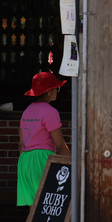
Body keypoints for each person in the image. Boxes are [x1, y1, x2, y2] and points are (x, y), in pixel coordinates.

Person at [17, 72, 71, 207]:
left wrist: (24, 165)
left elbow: (21, 143)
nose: (57, 92)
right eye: (56, 88)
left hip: (25, 160)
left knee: (33, 207)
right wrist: (73, 165)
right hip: (42, 159)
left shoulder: (27, 111)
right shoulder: (51, 112)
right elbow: (60, 145)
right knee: (47, 205)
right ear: (49, 91)